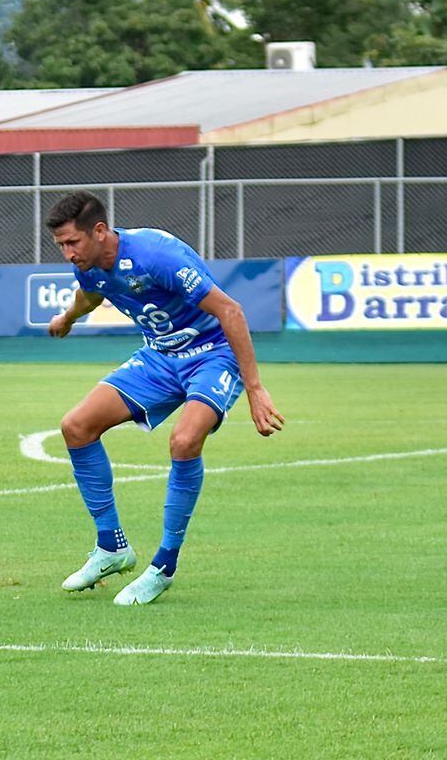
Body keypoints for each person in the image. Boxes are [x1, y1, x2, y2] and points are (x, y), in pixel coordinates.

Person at [45, 191, 284, 606]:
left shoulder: (155, 255)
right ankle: (112, 547)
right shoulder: (89, 267)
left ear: (99, 231)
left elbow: (230, 311)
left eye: (72, 243)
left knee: (185, 440)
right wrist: (67, 318)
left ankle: (164, 567)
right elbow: (91, 294)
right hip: (160, 356)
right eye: (61, 245)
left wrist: (256, 389)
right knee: (76, 427)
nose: (68, 253)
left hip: (212, 353)